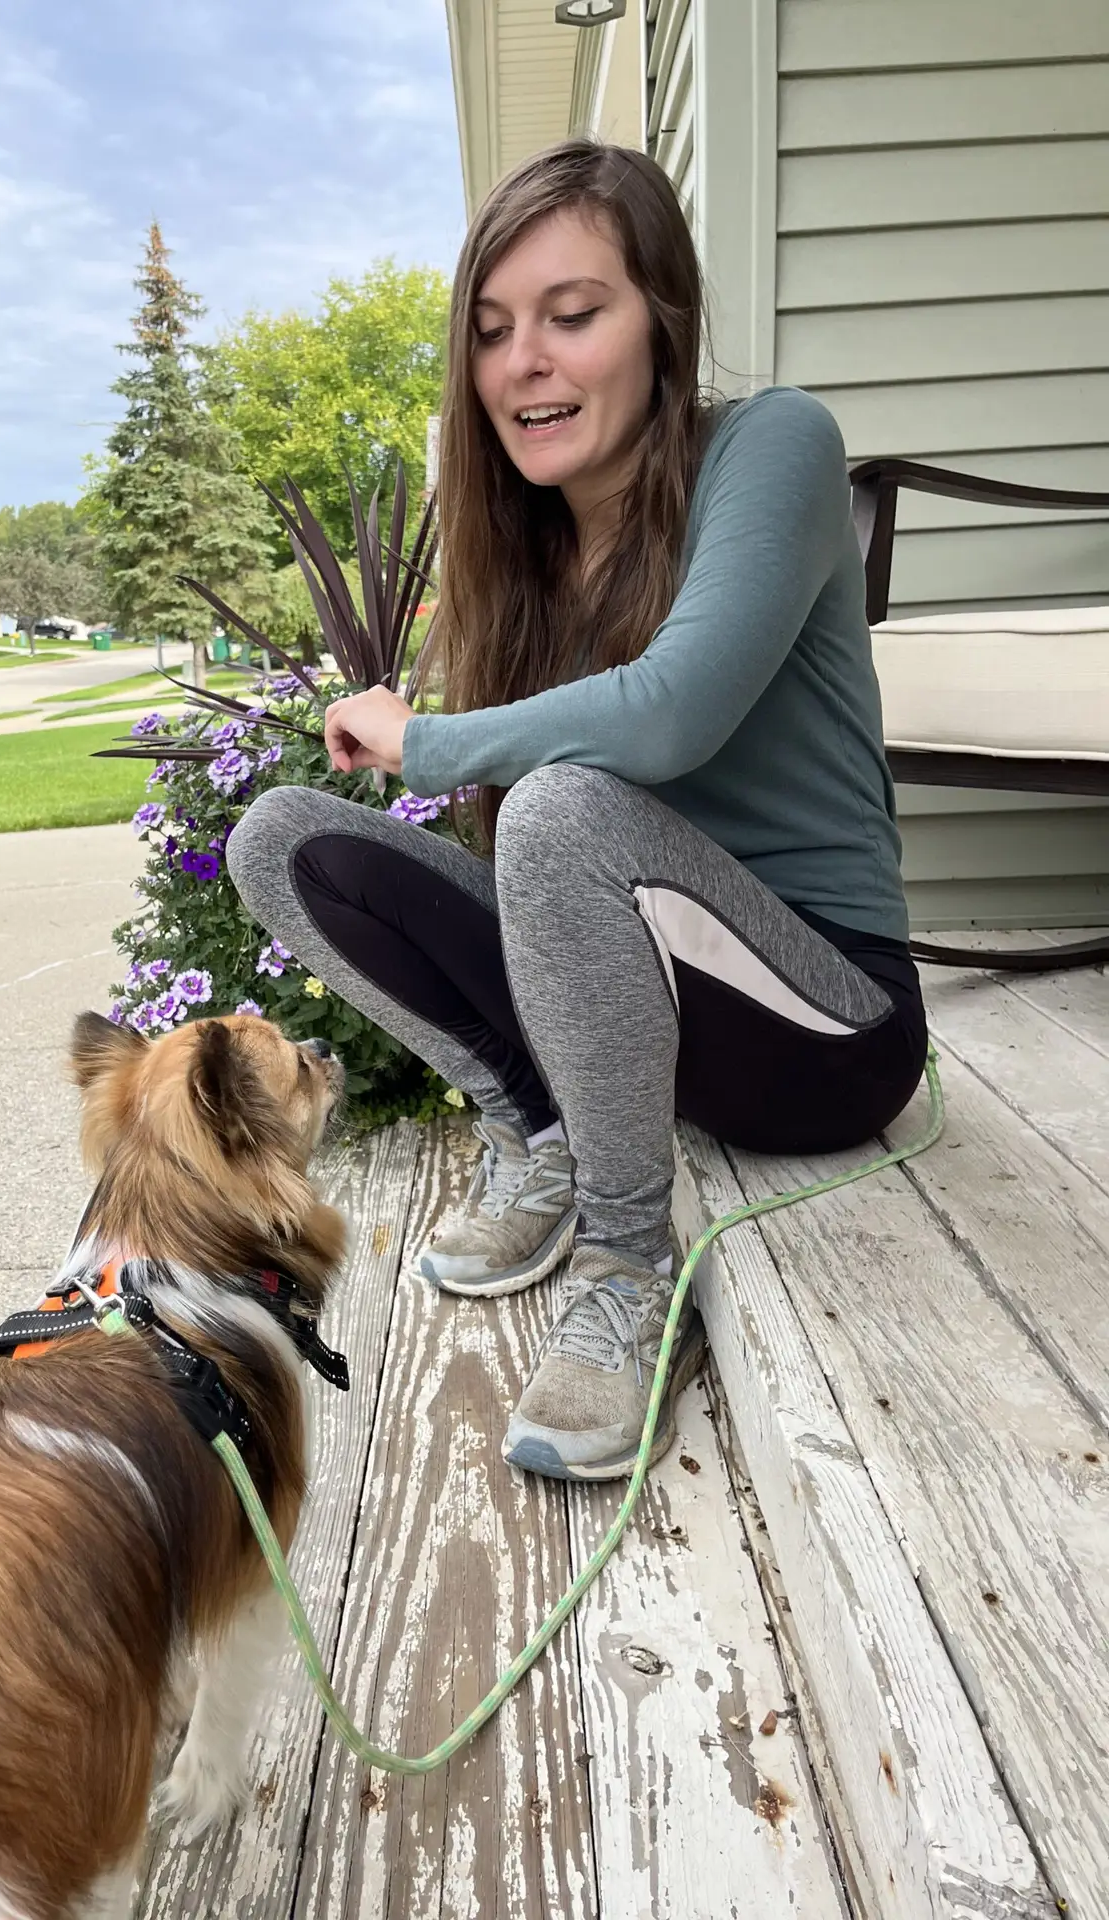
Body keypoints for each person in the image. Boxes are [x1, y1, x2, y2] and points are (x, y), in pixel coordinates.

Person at [227, 139, 927, 1483]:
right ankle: (540, 1132)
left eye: (572, 313)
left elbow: (671, 716)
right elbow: (534, 858)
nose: (523, 363)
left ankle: (627, 1263)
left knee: (558, 810)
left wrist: (426, 737)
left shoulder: (772, 448)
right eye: (492, 333)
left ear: (660, 319)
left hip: (829, 1026)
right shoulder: (536, 550)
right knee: (285, 843)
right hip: (659, 1019)